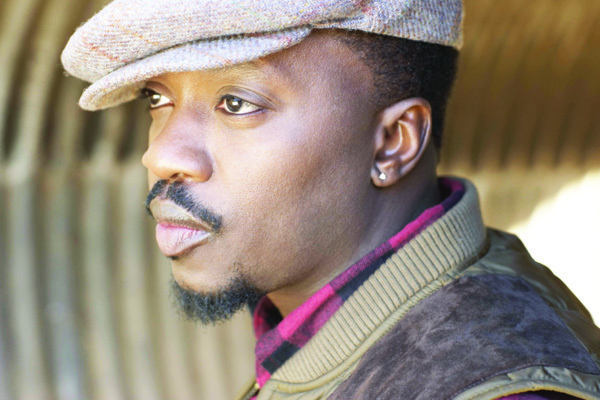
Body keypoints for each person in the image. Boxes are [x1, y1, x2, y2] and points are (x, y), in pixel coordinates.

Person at [61, 0, 600, 398]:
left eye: (237, 103)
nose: (161, 155)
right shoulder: (327, 339)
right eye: (158, 98)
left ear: (392, 143)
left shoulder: (494, 387)